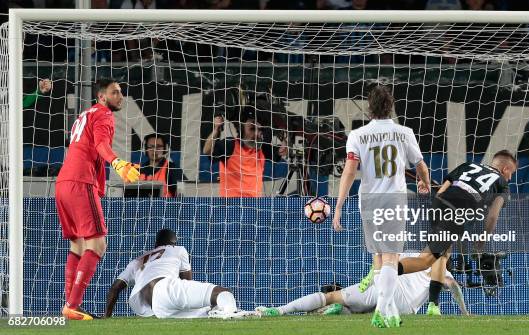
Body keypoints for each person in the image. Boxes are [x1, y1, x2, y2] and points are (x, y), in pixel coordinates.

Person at [332, 85, 431, 328]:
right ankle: (382, 309)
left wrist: (338, 206)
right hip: (394, 199)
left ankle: (390, 310)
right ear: (391, 106)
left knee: (378, 256)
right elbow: (419, 163)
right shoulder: (404, 132)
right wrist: (425, 183)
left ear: (369, 108)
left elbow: (349, 170)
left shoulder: (357, 135)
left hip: (368, 200)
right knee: (391, 257)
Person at [385, 150, 516, 316]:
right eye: (511, 173)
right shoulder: (502, 183)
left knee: (444, 254)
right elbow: (493, 215)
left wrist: (437, 208)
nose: (510, 177)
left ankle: (433, 305)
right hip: (458, 213)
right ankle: (383, 269)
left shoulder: (469, 165)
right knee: (425, 261)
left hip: (439, 204)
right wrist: (483, 238)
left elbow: (442, 188)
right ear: (505, 169)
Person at [55, 78, 140, 320]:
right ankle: (73, 304)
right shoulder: (103, 114)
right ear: (102, 97)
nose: (120, 96)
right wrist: (118, 162)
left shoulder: (84, 115)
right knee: (98, 244)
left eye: (121, 92)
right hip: (81, 182)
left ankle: (69, 305)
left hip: (63, 182)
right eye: (115, 92)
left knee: (78, 245)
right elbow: (101, 145)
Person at [256, 253, 469, 317]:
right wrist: (464, 311)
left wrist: (368, 280)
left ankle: (280, 310)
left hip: (381, 286)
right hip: (403, 308)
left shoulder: (411, 256)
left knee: (332, 296)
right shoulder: (444, 272)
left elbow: (384, 264)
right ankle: (343, 312)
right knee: (363, 318)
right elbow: (454, 287)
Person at [105, 229, 248, 319]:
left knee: (207, 312)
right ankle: (232, 314)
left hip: (155, 308)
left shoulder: (136, 261)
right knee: (224, 293)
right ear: (173, 242)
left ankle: (225, 312)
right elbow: (187, 280)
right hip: (165, 288)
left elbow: (114, 288)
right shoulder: (178, 249)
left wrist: (107, 316)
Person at [203, 108, 287, 197]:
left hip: (253, 206)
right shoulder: (230, 145)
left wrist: (285, 140)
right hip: (230, 206)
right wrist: (216, 128)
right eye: (252, 129)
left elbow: (282, 151)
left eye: (259, 130)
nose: (257, 134)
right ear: (242, 131)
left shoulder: (262, 148)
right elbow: (207, 150)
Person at [139, 133, 183, 197]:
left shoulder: (172, 169)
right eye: (151, 147)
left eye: (158, 146)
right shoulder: (139, 169)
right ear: (145, 149)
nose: (154, 150)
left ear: (165, 149)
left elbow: (180, 198)